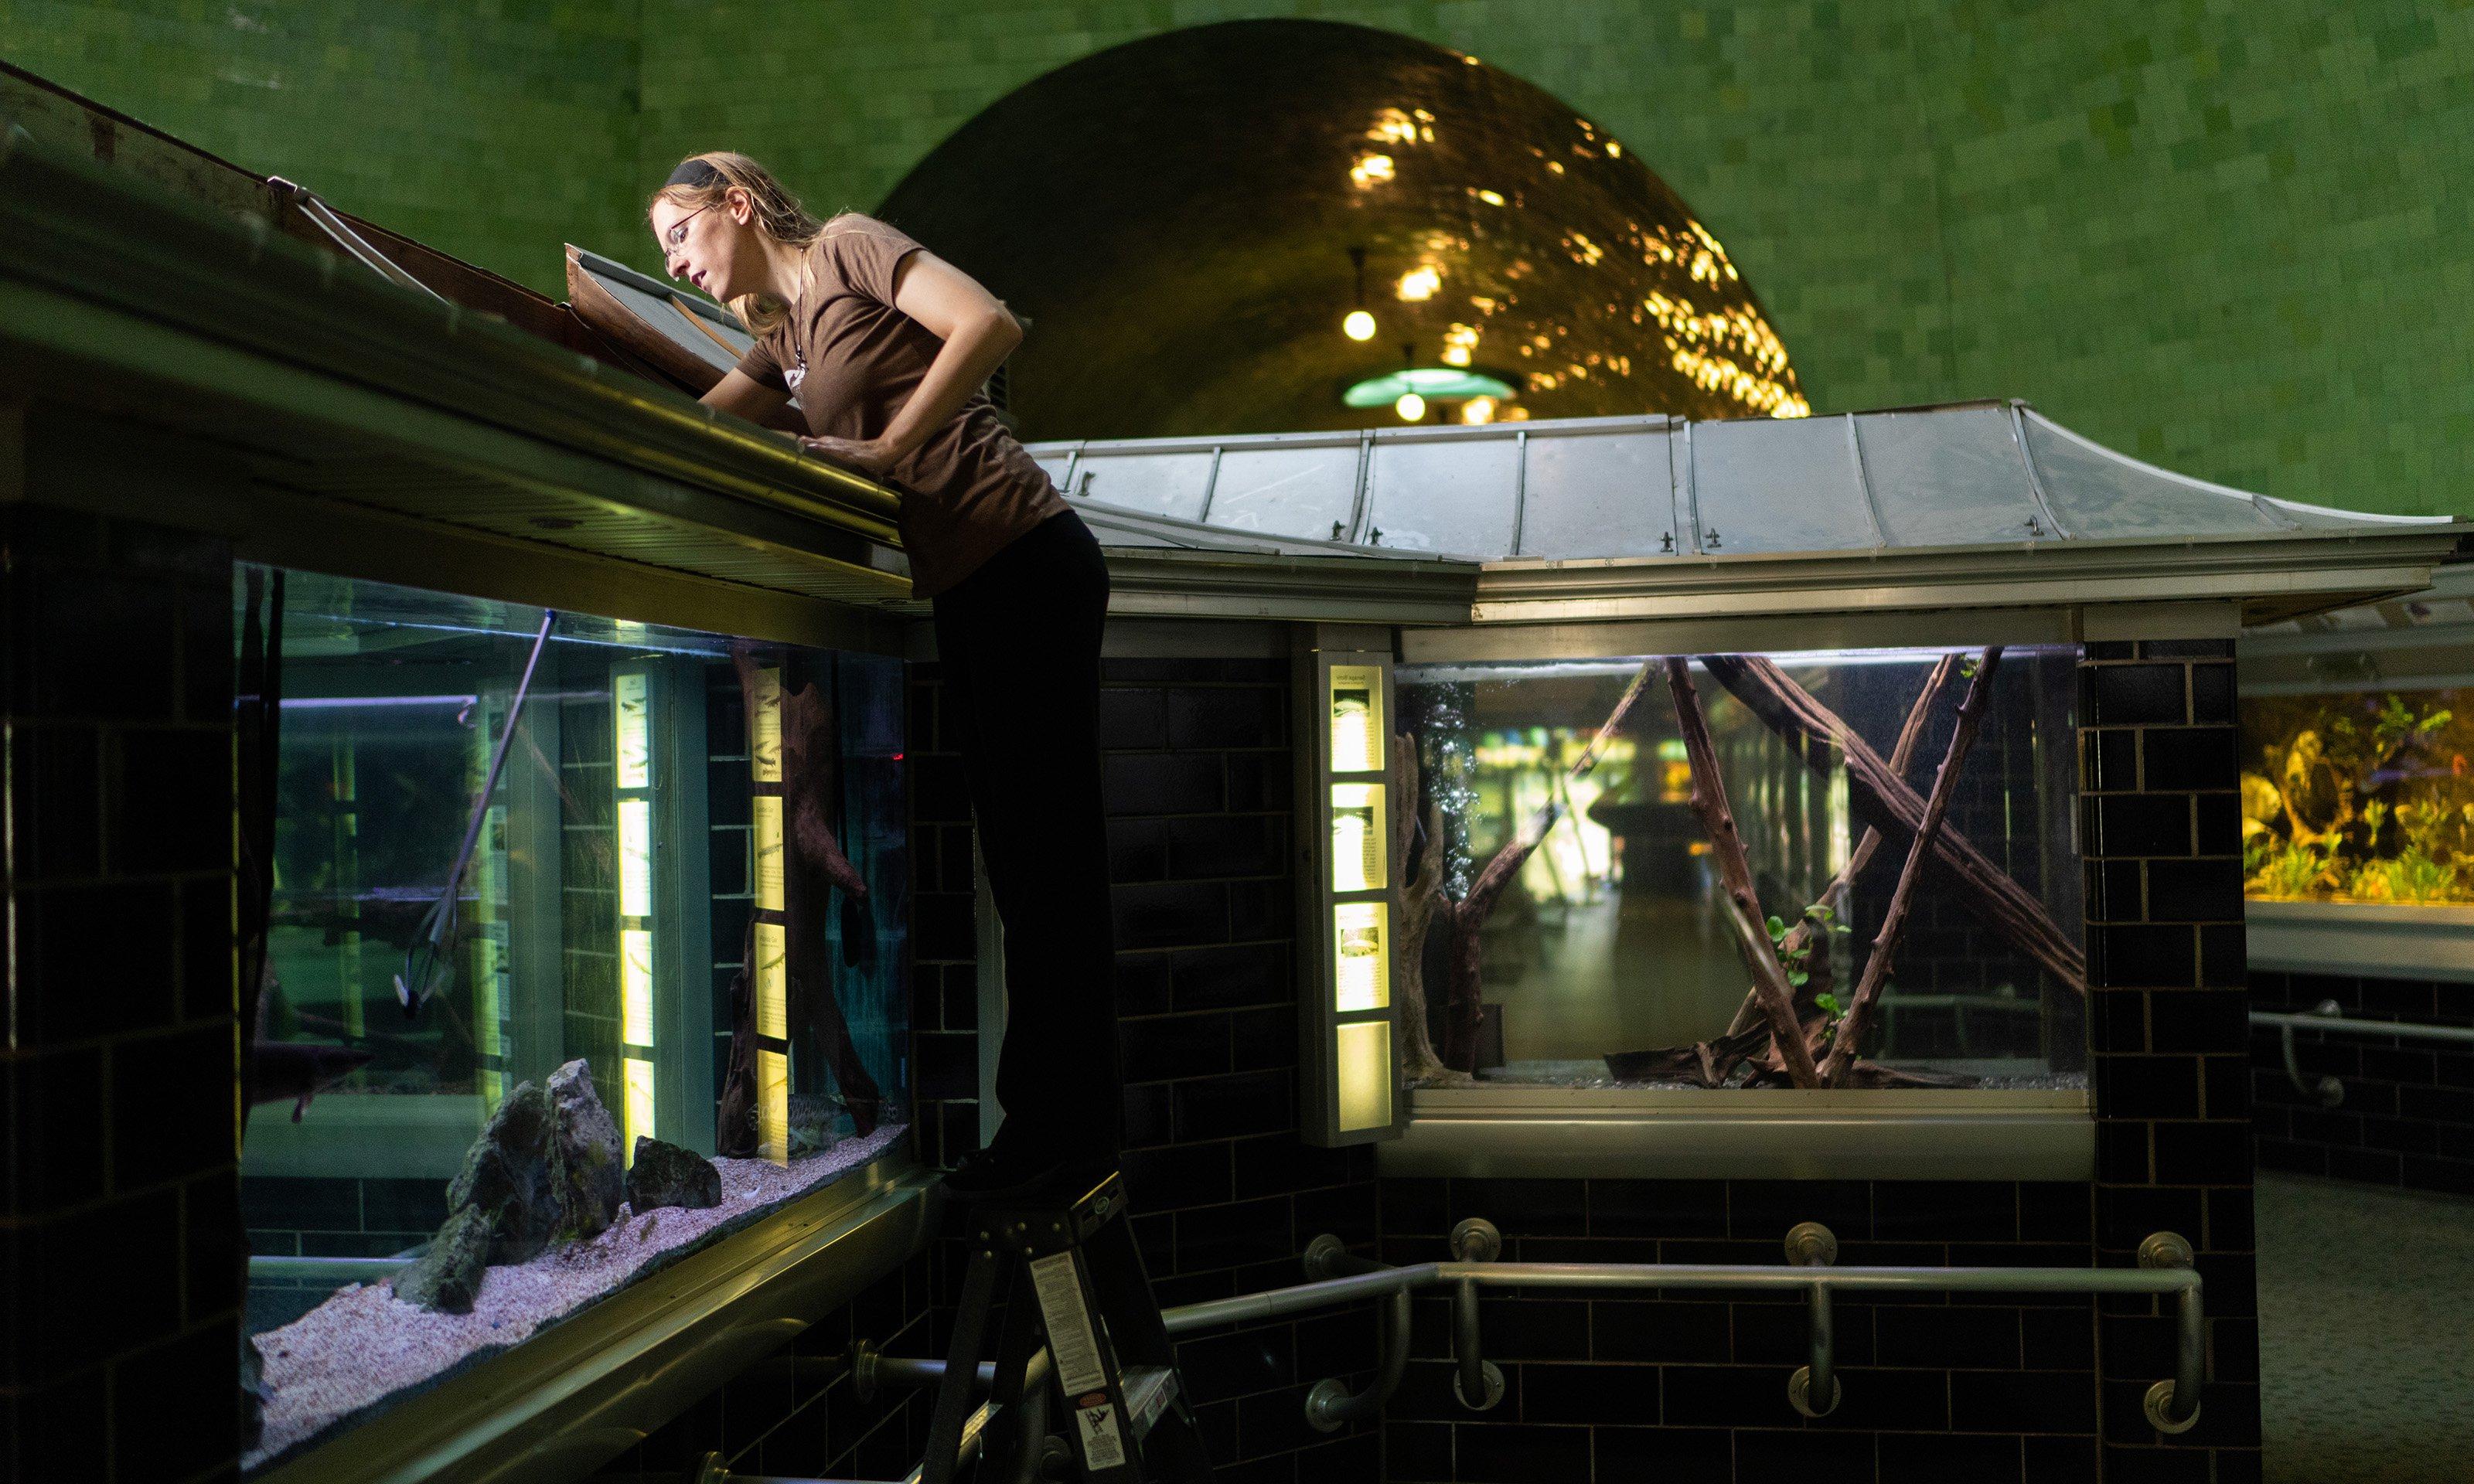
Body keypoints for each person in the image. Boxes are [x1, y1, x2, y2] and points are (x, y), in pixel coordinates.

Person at [649, 152, 1117, 1200]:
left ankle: (1064, 1140)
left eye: (679, 236)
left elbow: (991, 323)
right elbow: (705, 427)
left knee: (1049, 866)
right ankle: (1053, 1132)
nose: (675, 263)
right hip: (973, 584)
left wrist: (890, 447)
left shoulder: (851, 248)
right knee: (1024, 863)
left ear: (736, 203)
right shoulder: (785, 338)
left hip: (1027, 558)